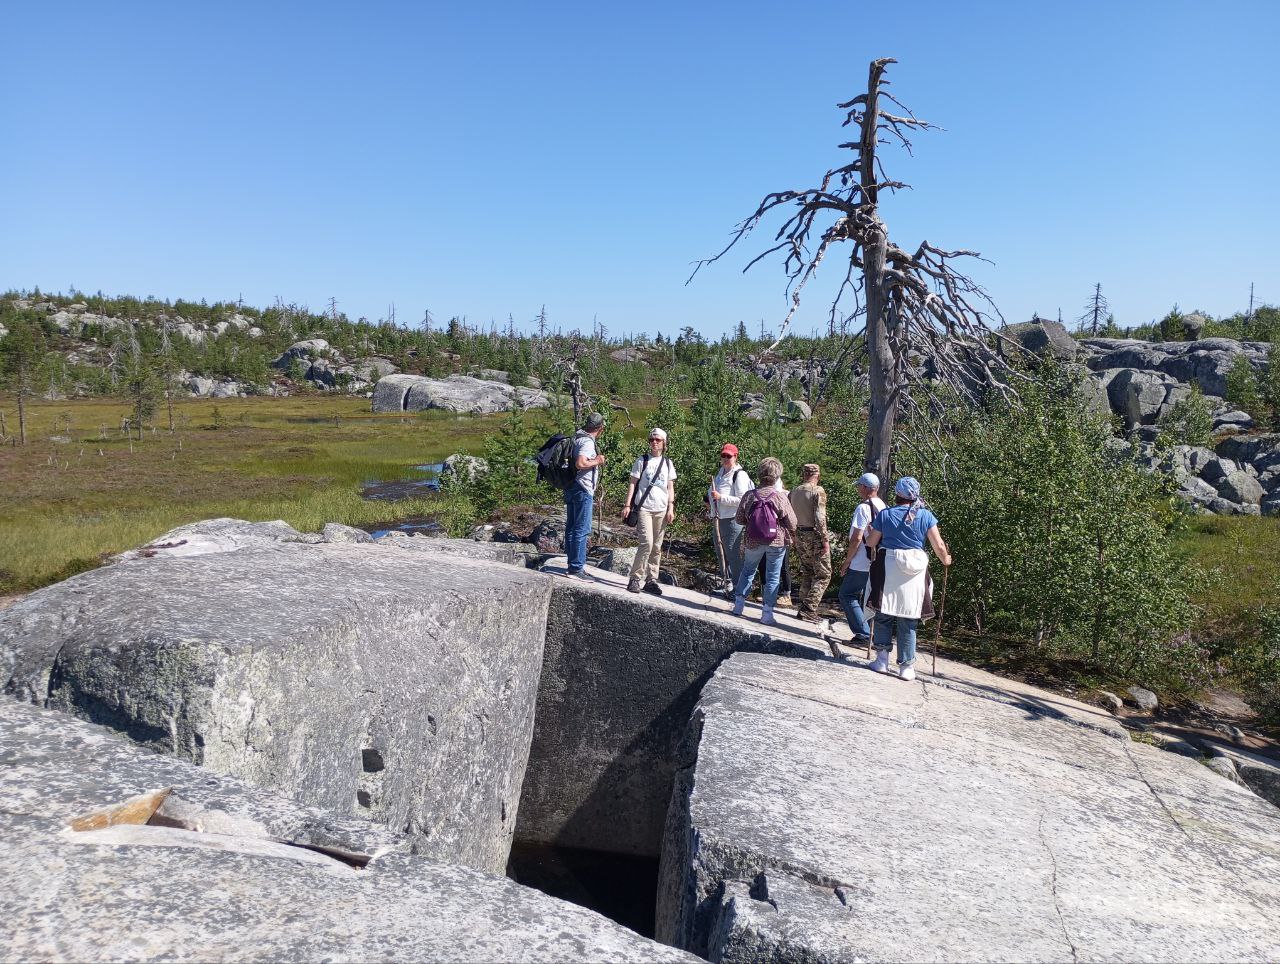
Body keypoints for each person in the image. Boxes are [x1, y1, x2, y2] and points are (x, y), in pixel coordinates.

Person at [863, 476, 952, 682]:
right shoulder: (926, 516)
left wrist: (869, 533)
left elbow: (871, 542)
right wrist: (946, 559)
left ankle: (882, 660)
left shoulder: (885, 515)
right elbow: (938, 545)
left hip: (889, 566)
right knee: (909, 617)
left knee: (884, 612)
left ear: (897, 494)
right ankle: (906, 667)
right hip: (916, 570)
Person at [731, 457, 797, 626]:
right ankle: (766, 613)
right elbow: (793, 523)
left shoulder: (749, 495)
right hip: (776, 542)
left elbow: (739, 519)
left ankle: (738, 605)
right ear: (777, 476)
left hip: (752, 540)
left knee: (748, 571)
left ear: (759, 474)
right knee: (773, 577)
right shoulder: (780, 497)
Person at [622, 428, 676, 595]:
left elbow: (670, 487)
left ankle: (651, 579)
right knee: (646, 543)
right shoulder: (642, 461)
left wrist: (671, 507)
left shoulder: (668, 463)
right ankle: (635, 578)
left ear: (664, 443)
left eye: (658, 440)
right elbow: (633, 483)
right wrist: (627, 505)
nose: (654, 442)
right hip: (644, 508)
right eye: (651, 439)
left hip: (661, 509)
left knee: (657, 546)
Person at [837, 472, 887, 647]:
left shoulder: (863, 508)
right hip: (877, 561)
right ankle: (870, 633)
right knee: (866, 598)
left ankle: (863, 634)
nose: (858, 488)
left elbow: (856, 538)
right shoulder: (883, 506)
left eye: (859, 485)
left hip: (861, 560)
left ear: (866, 488)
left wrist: (847, 561)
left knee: (847, 595)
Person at [564, 412, 606, 580]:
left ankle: (573, 564)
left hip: (572, 486)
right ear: (600, 428)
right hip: (582, 489)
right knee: (582, 528)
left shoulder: (577, 437)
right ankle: (576, 568)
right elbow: (581, 463)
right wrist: (598, 461)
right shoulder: (588, 442)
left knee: (572, 526)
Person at [789, 464, 832, 624]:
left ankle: (803, 606)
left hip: (799, 534)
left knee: (807, 570)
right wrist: (825, 540)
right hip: (813, 535)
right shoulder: (817, 491)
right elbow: (820, 517)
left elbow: (789, 514)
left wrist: (792, 534)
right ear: (817, 475)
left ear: (804, 474)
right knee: (824, 574)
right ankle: (809, 608)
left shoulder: (794, 491)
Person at [708, 444, 753, 592]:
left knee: (733, 556)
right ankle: (728, 585)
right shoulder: (721, 472)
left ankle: (739, 589)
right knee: (721, 553)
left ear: (735, 457)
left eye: (729, 456)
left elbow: (742, 500)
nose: (726, 458)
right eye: (724, 456)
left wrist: (721, 498)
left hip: (733, 520)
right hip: (718, 519)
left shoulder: (739, 475)